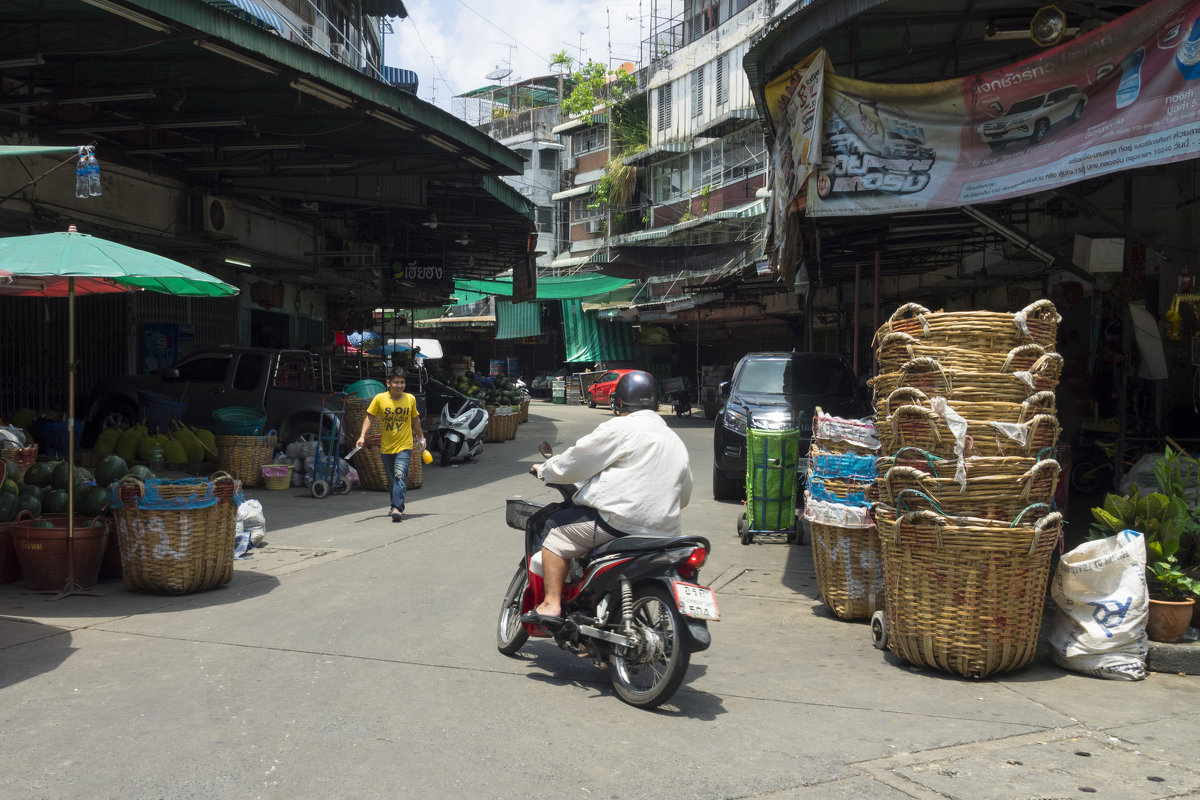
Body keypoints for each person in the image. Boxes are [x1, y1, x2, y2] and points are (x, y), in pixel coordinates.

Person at [521, 370, 692, 628]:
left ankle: (552, 604)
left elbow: (575, 461)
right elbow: (685, 494)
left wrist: (545, 470)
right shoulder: (673, 439)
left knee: (555, 530)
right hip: (665, 529)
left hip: (620, 523)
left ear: (619, 401)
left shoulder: (621, 427)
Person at [356, 369, 425, 522]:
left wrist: (421, 438)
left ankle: (397, 508)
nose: (399, 385)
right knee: (392, 479)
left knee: (400, 475)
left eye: (402, 382)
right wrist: (362, 436)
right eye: (396, 382)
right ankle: (394, 504)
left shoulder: (410, 399)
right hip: (386, 447)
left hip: (405, 445)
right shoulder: (380, 399)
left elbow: (415, 420)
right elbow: (369, 418)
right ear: (388, 383)